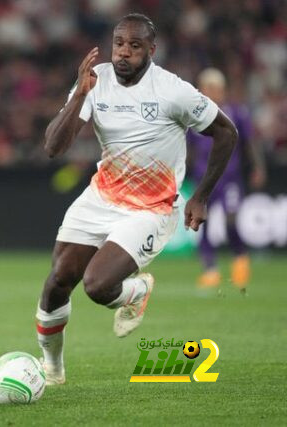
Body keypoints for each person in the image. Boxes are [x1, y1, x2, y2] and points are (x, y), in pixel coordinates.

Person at [35, 13, 238, 386]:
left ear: (151, 50)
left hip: (151, 208)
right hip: (102, 196)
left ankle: (137, 289)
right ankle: (52, 368)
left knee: (97, 286)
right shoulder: (96, 82)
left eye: (134, 46)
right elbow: (53, 147)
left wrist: (202, 196)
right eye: (119, 44)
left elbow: (227, 132)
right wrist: (79, 94)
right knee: (58, 280)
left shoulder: (173, 90)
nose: (123, 53)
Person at [187, 68, 265, 291]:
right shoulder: (193, 116)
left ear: (223, 90)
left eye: (215, 88)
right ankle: (210, 270)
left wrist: (257, 166)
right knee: (201, 223)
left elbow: (249, 142)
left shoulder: (236, 112)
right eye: (207, 88)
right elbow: (189, 149)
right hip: (203, 179)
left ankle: (240, 259)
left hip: (229, 177)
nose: (211, 92)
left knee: (231, 221)